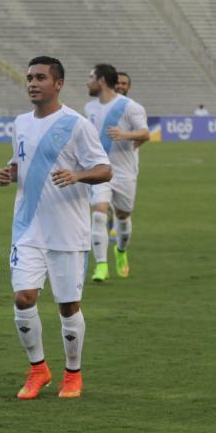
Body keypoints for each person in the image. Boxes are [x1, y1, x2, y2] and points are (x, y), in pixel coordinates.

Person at [0, 56, 111, 401]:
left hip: (67, 230)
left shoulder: (76, 124)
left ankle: (73, 374)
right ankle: (38, 370)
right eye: (29, 77)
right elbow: (23, 163)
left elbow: (104, 170)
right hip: (27, 228)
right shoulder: (19, 123)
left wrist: (78, 175)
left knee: (68, 305)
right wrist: (9, 173)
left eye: (40, 77)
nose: (32, 83)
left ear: (58, 84)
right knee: (23, 298)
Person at [84, 64, 149, 282]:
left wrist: (125, 134)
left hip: (125, 173)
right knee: (99, 214)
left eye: (90, 77)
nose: (87, 82)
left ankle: (120, 252)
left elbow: (145, 133)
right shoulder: (89, 108)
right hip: (101, 171)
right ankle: (101, 266)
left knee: (123, 216)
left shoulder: (130, 107)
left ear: (101, 80)